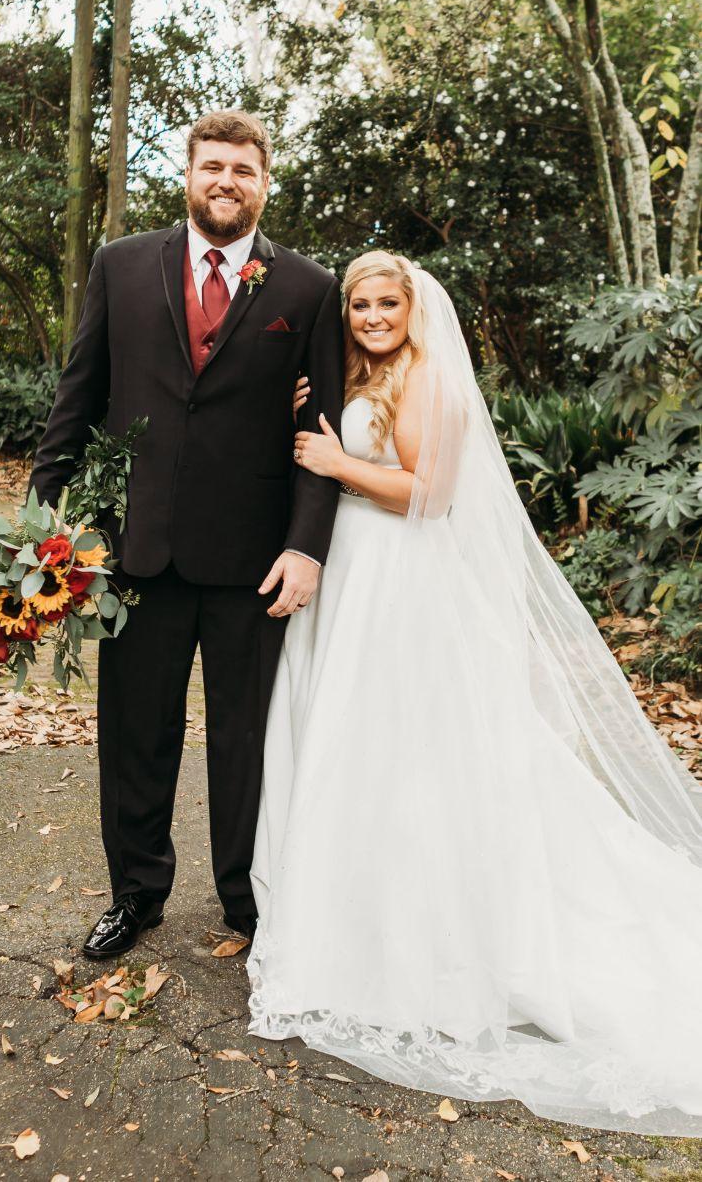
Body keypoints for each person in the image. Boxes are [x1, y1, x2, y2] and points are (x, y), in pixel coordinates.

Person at [248, 249, 702, 1136]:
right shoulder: (356, 375)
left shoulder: (428, 381)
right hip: (353, 583)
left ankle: (420, 939)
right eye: (359, 306)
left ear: (412, 308)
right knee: (354, 752)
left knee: (408, 756)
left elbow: (430, 494)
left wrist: (337, 462)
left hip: (401, 586)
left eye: (386, 304)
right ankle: (348, 913)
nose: (372, 317)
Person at [28, 110, 344, 958]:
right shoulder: (122, 264)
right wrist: (39, 513)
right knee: (136, 734)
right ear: (189, 174)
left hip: (255, 559)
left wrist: (306, 546)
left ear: (264, 183)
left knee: (247, 741)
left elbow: (322, 431)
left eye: (243, 170)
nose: (226, 182)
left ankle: (248, 901)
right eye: (213, 166)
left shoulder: (309, 288)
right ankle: (136, 893)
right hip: (136, 549)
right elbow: (79, 392)